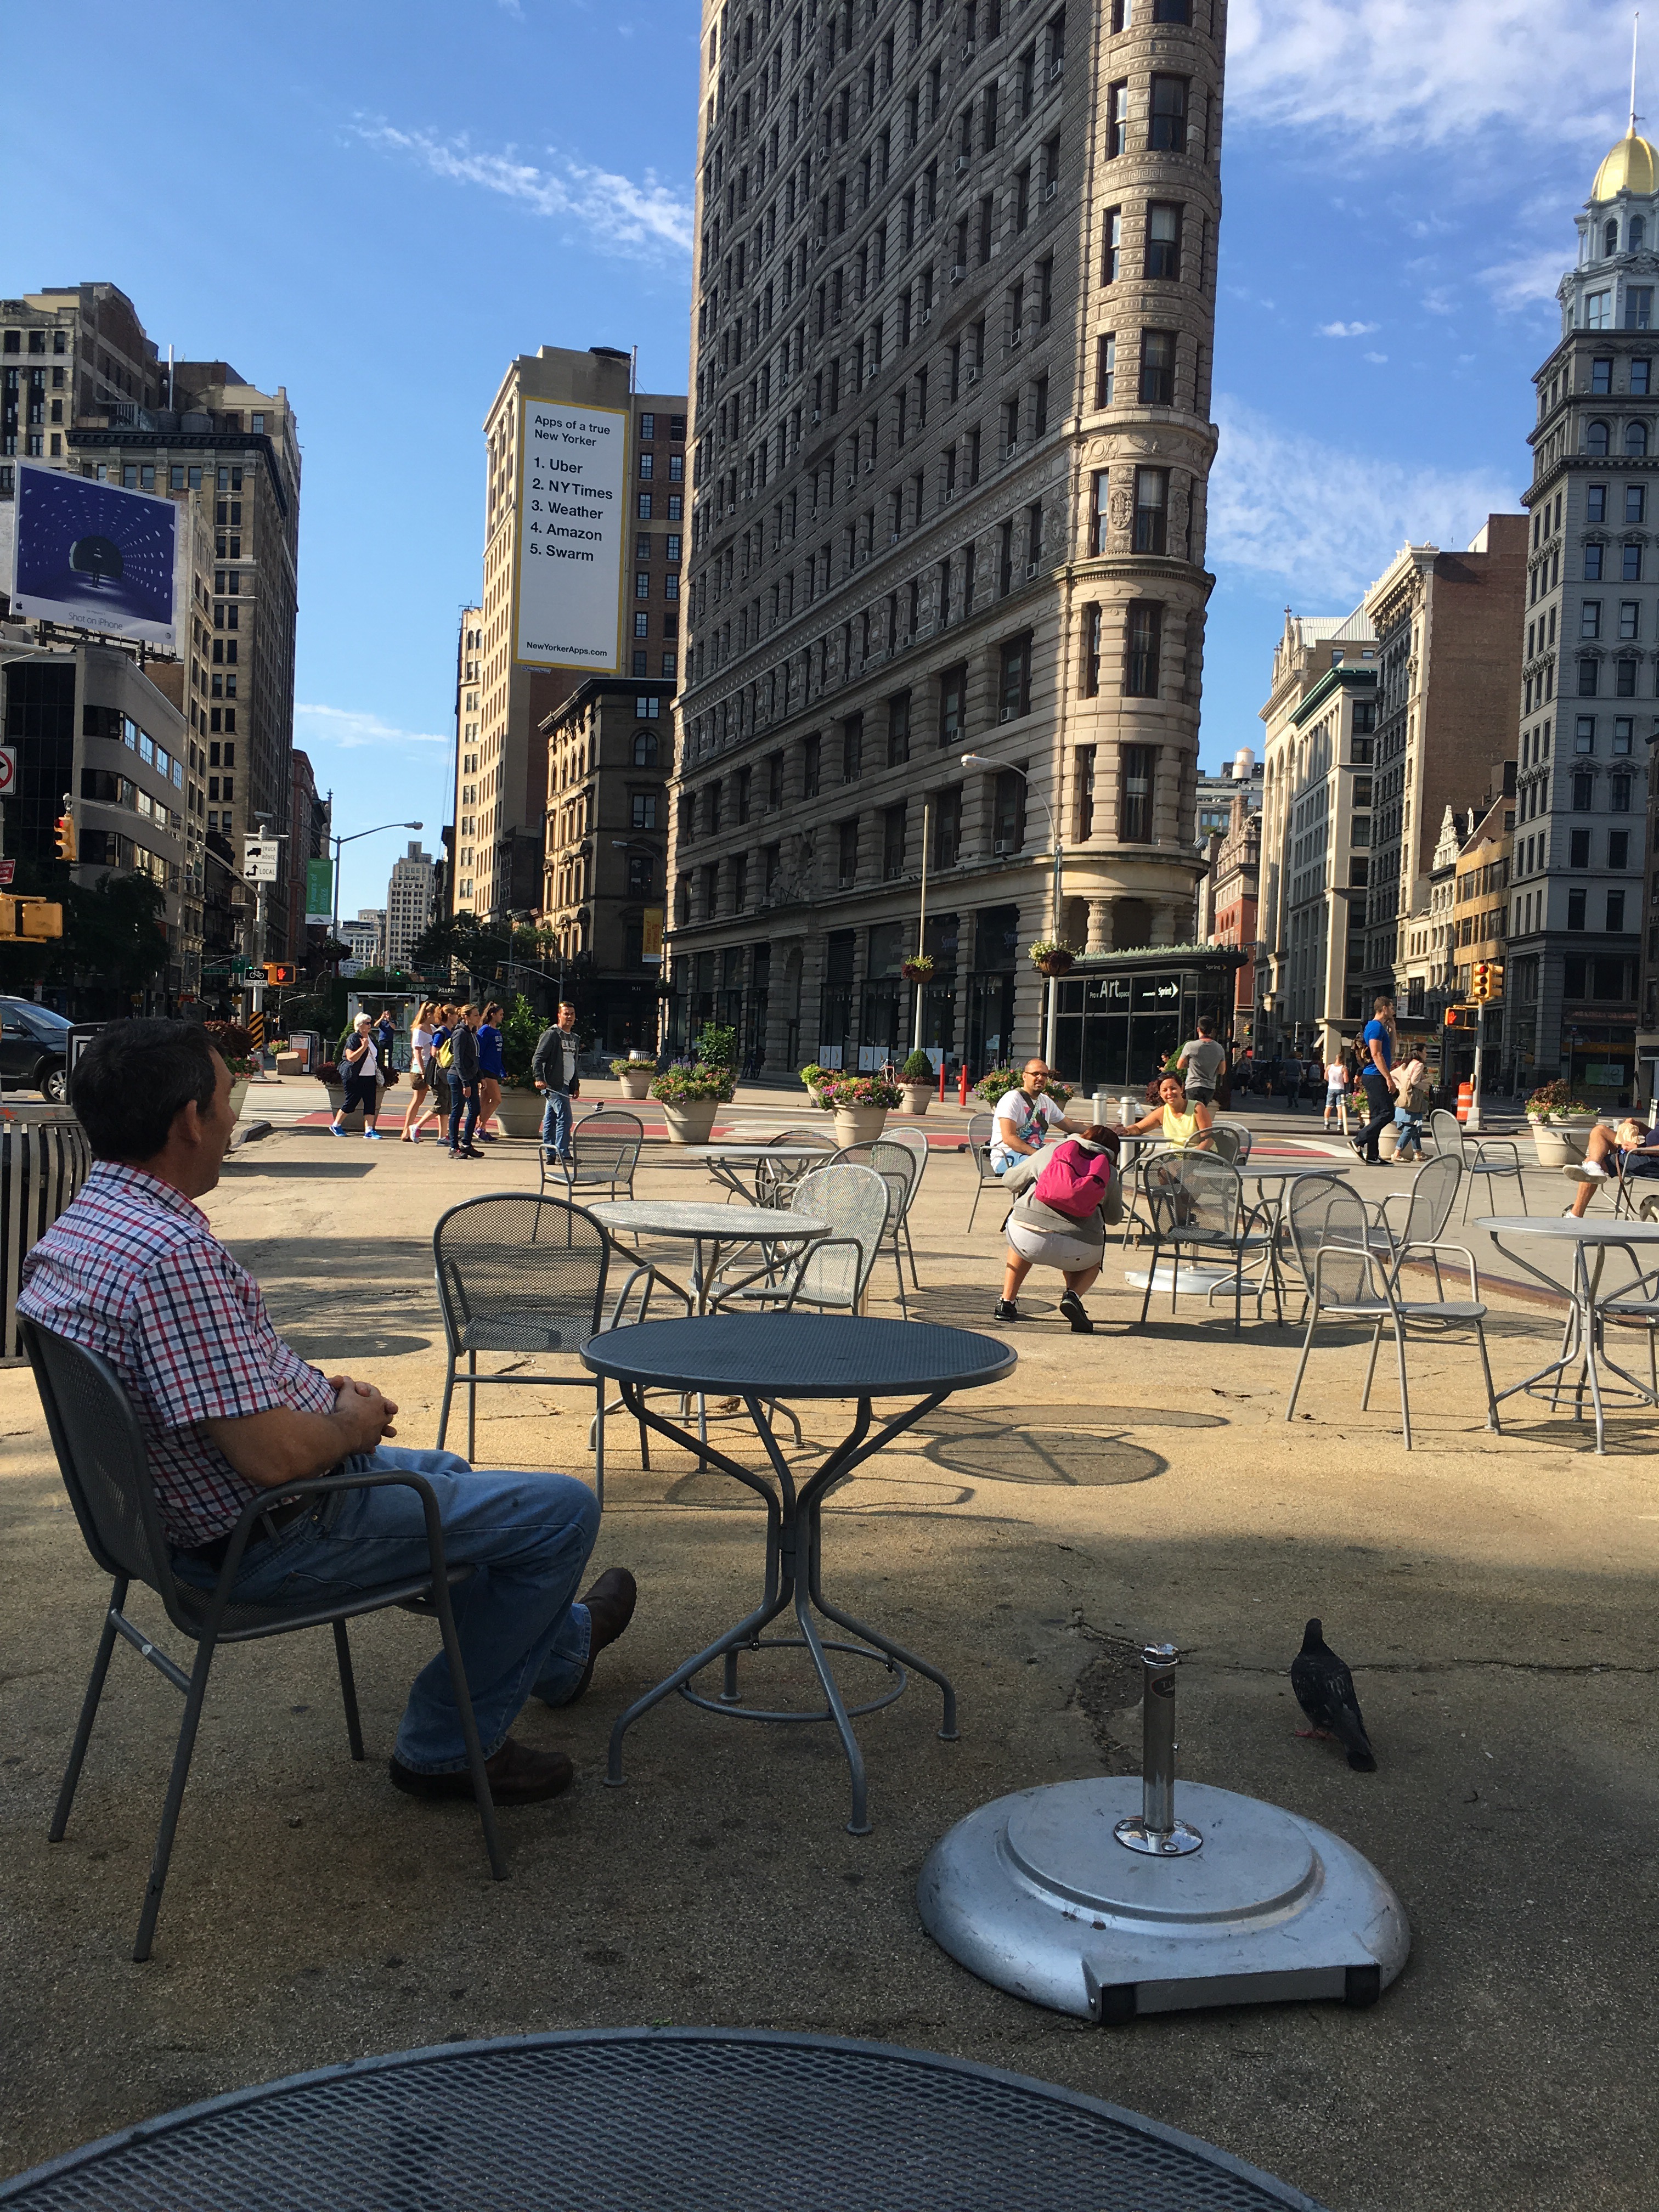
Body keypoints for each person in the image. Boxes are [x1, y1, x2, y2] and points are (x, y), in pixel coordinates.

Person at [17, 1019, 637, 1807]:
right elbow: (271, 1458)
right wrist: (348, 1425)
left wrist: (315, 1393)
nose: (234, 1115)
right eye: (227, 1098)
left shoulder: (82, 1229)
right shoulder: (170, 1257)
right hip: (268, 1537)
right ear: (189, 1121)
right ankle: (446, 1746)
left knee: (453, 1476)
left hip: (167, 1528)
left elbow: (203, 1381)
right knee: (561, 1514)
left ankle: (562, 1651)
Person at [996, 1126, 1122, 1330]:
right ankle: (1072, 1296)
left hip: (1027, 1238)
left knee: (1022, 1235)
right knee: (1092, 1261)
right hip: (1078, 1249)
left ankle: (1006, 1303)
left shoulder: (1053, 1150)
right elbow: (1114, 1218)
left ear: (1082, 1136)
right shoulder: (1109, 1171)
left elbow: (1010, 1181)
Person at [989, 1058, 1087, 1175]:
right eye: (1035, 1074)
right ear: (1024, 1076)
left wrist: (1099, 1130)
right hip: (1006, 1157)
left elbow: (1071, 1126)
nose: (1040, 1078)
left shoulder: (1045, 1101)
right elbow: (1009, 1138)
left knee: (1070, 1163)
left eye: (1044, 1075)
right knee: (1052, 1169)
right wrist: (1038, 1155)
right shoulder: (1012, 1099)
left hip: (1034, 1156)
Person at [1565, 1116, 1659, 1216]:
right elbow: (1655, 1138)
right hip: (1643, 1151)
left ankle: (1576, 1214)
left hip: (1650, 1159)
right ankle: (1594, 1166)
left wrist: (1638, 1150)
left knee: (1593, 1162)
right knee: (1600, 1130)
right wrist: (1639, 1126)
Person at [534, 1002, 581, 1165]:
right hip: (554, 1084)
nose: (570, 1017)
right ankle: (563, 1154)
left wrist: (575, 1085)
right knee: (565, 1118)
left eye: (572, 1014)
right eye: (566, 1014)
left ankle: (551, 1154)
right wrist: (539, 1078)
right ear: (559, 1015)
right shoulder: (552, 1035)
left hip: (566, 1084)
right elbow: (538, 1058)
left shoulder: (574, 1038)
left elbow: (573, 1063)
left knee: (551, 1118)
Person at [1352, 995, 1397, 1165]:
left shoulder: (1381, 1028)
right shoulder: (1375, 1027)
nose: (1393, 1011)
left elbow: (1391, 1051)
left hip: (1376, 1075)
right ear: (1384, 1008)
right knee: (1388, 1113)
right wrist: (1389, 1079)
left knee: (1377, 1115)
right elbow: (1376, 1055)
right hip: (1375, 1075)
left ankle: (1373, 1155)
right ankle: (1358, 1140)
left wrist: (1393, 1029)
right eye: (1391, 1008)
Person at [1120, 1073, 1215, 1151]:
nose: (1169, 1093)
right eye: (1165, 1090)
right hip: (1173, 1158)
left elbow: (1208, 1140)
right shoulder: (1162, 1112)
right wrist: (1127, 1131)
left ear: (1181, 1089)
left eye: (1173, 1089)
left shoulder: (1197, 1108)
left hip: (1199, 1157)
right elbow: (1139, 1128)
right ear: (1160, 1094)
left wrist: (1192, 1159)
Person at [330, 1015, 381, 1140]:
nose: (370, 1025)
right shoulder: (354, 1038)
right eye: (367, 1023)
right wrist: (363, 1047)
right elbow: (351, 1058)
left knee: (370, 1103)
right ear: (360, 1025)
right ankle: (336, 1125)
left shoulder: (371, 1038)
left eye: (370, 1023)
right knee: (351, 1102)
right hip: (354, 1076)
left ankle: (369, 1130)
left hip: (370, 1076)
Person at [400, 1001, 441, 1143]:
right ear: (429, 1014)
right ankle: (406, 1131)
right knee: (418, 1099)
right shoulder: (420, 1030)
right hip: (420, 1068)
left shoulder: (433, 1029)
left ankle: (442, 1133)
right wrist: (423, 1070)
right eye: (436, 1014)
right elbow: (417, 1051)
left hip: (432, 1067)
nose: (438, 1016)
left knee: (436, 1099)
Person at [447, 1004, 483, 1160]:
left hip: (472, 1076)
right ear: (466, 1017)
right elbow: (459, 1060)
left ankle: (467, 1144)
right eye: (475, 1015)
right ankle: (453, 1147)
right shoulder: (460, 1033)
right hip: (458, 1077)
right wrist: (465, 1083)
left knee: (475, 1109)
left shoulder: (472, 1033)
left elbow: (475, 1058)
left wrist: (480, 1076)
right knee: (458, 1111)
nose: (478, 1017)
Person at [1176, 1017, 1226, 1110]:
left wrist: (1189, 1064)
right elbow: (1222, 1071)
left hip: (1193, 1085)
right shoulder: (1219, 1048)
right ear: (1211, 1030)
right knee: (1202, 1112)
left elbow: (1179, 1066)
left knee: (1192, 1114)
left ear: (1198, 1029)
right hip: (1210, 1088)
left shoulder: (1190, 1046)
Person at [1391, 1055, 1431, 1164]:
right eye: (1425, 1051)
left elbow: (1393, 1075)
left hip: (1405, 1100)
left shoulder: (1406, 1064)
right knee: (1411, 1127)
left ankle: (1418, 1153)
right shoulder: (1419, 1065)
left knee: (1415, 1129)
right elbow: (1414, 1082)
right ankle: (1397, 1153)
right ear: (1420, 1052)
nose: (1426, 1054)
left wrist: (1401, 1088)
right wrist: (1426, 1086)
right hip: (1413, 1101)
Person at [475, 1002, 505, 1145]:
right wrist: (479, 1073)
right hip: (486, 1070)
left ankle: (482, 1128)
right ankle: (478, 1127)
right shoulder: (485, 1031)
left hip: (494, 1069)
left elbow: (498, 1054)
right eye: (500, 1014)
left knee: (485, 1101)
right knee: (497, 1099)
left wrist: (502, 1071)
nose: (502, 1017)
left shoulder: (496, 1031)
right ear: (492, 1015)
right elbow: (479, 1052)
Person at [1323, 1049, 1349, 1131]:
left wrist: (1331, 1082)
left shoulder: (1329, 1067)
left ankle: (1326, 1124)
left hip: (1331, 1088)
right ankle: (1339, 1124)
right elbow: (1346, 1080)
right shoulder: (1343, 1068)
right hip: (1340, 1088)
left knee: (1328, 1106)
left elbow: (1325, 1077)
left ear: (1336, 1058)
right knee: (1339, 1107)